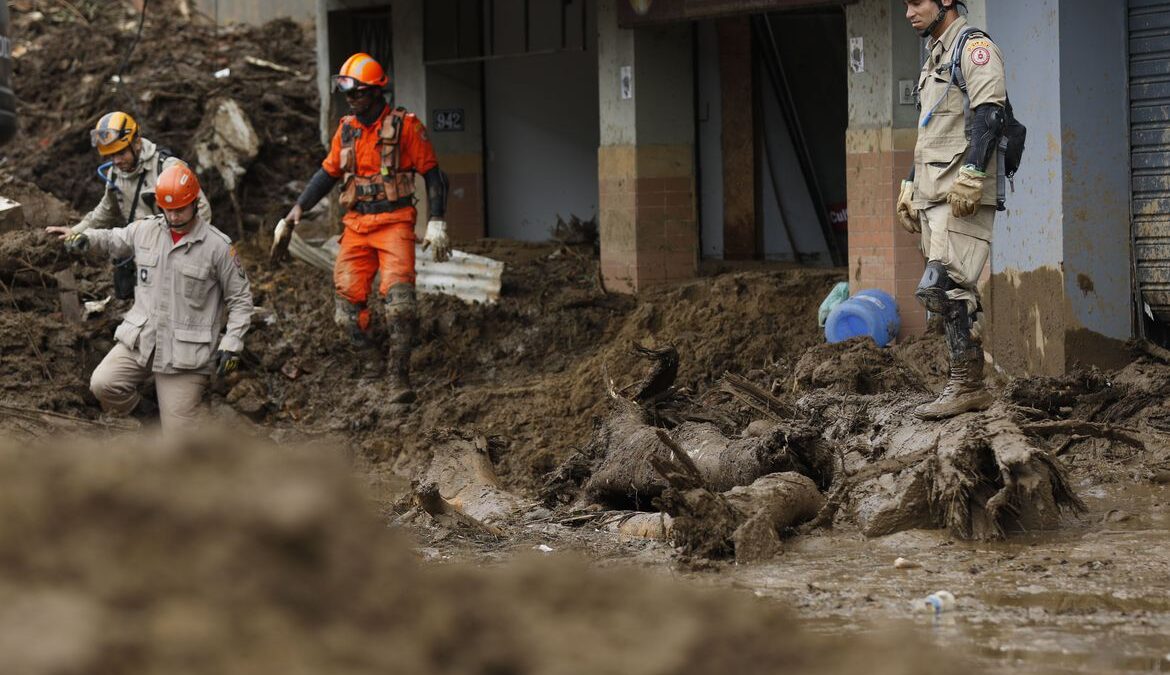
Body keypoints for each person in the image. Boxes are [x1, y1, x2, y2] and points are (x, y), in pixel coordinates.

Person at [283, 52, 450, 403]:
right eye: (348, 93)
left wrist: (436, 220)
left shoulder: (406, 127)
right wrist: (298, 208)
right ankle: (372, 363)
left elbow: (434, 174)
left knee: (401, 305)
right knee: (345, 314)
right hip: (357, 225)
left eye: (358, 92)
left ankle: (397, 376)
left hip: (395, 223)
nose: (352, 99)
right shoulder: (346, 130)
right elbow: (327, 174)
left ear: (376, 92)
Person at [46, 165, 252, 432]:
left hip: (185, 354)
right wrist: (83, 237)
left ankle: (181, 423)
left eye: (179, 209)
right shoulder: (146, 231)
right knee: (102, 384)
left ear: (194, 203)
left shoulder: (218, 247)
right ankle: (148, 416)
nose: (174, 216)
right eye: (167, 210)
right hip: (143, 339)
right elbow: (112, 239)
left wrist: (232, 344)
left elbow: (241, 299)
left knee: (178, 439)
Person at [896, 0, 1005, 420]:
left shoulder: (972, 48)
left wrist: (975, 173)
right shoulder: (934, 57)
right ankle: (963, 384)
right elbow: (931, 128)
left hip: (963, 194)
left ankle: (968, 385)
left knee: (944, 284)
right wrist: (909, 183)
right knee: (942, 292)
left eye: (916, 2)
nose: (909, 12)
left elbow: (990, 113)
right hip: (934, 194)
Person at [74, 111, 212, 300]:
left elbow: (201, 210)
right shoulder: (116, 174)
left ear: (137, 143)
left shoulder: (167, 168)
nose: (116, 161)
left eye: (121, 153)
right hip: (144, 258)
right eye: (111, 155)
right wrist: (75, 231)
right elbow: (106, 211)